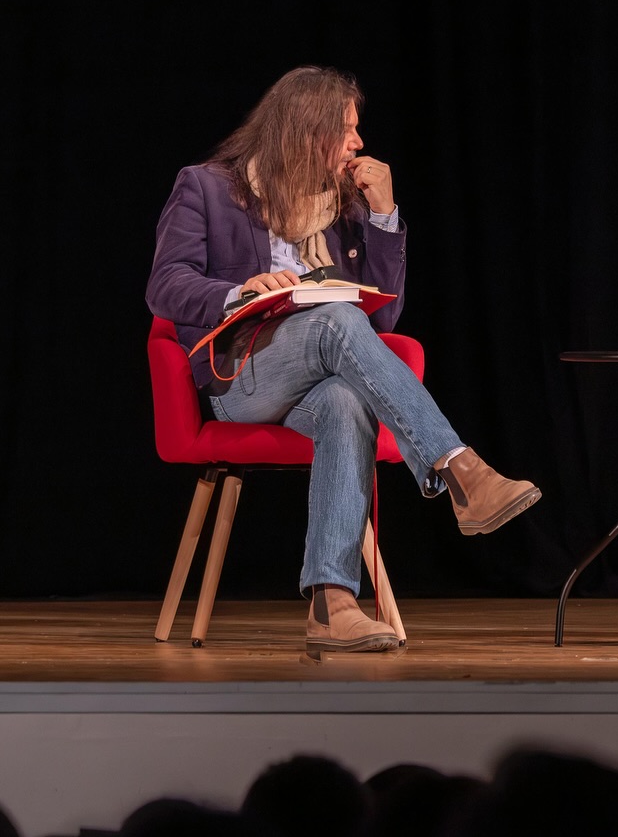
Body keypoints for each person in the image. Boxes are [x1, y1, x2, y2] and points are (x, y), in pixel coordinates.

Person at [147, 66, 541, 654]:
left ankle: (333, 603)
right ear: (305, 131)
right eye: (347, 130)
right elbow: (165, 284)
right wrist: (240, 292)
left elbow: (382, 321)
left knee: (343, 398)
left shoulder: (344, 205)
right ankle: (460, 470)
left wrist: (384, 216)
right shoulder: (206, 187)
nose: (358, 143)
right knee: (336, 320)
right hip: (243, 373)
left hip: (318, 376)